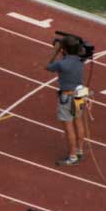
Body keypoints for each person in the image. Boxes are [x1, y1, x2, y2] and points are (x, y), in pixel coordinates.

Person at [46, 35, 86, 166]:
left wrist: (56, 50)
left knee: (69, 127)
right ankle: (80, 150)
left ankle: (72, 156)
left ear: (64, 49)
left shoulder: (61, 64)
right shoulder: (81, 59)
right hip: (80, 94)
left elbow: (48, 66)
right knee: (78, 122)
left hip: (67, 97)